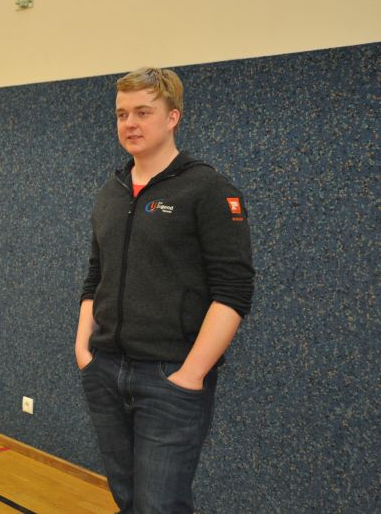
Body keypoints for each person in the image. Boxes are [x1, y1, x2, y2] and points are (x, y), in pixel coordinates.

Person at [74, 68, 254, 513]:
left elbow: (233, 291)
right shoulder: (111, 191)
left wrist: (191, 375)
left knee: (160, 505)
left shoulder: (207, 189)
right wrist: (84, 351)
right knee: (128, 499)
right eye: (121, 114)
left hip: (170, 377)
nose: (130, 123)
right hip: (105, 371)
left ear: (173, 117)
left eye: (143, 112)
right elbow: (96, 276)